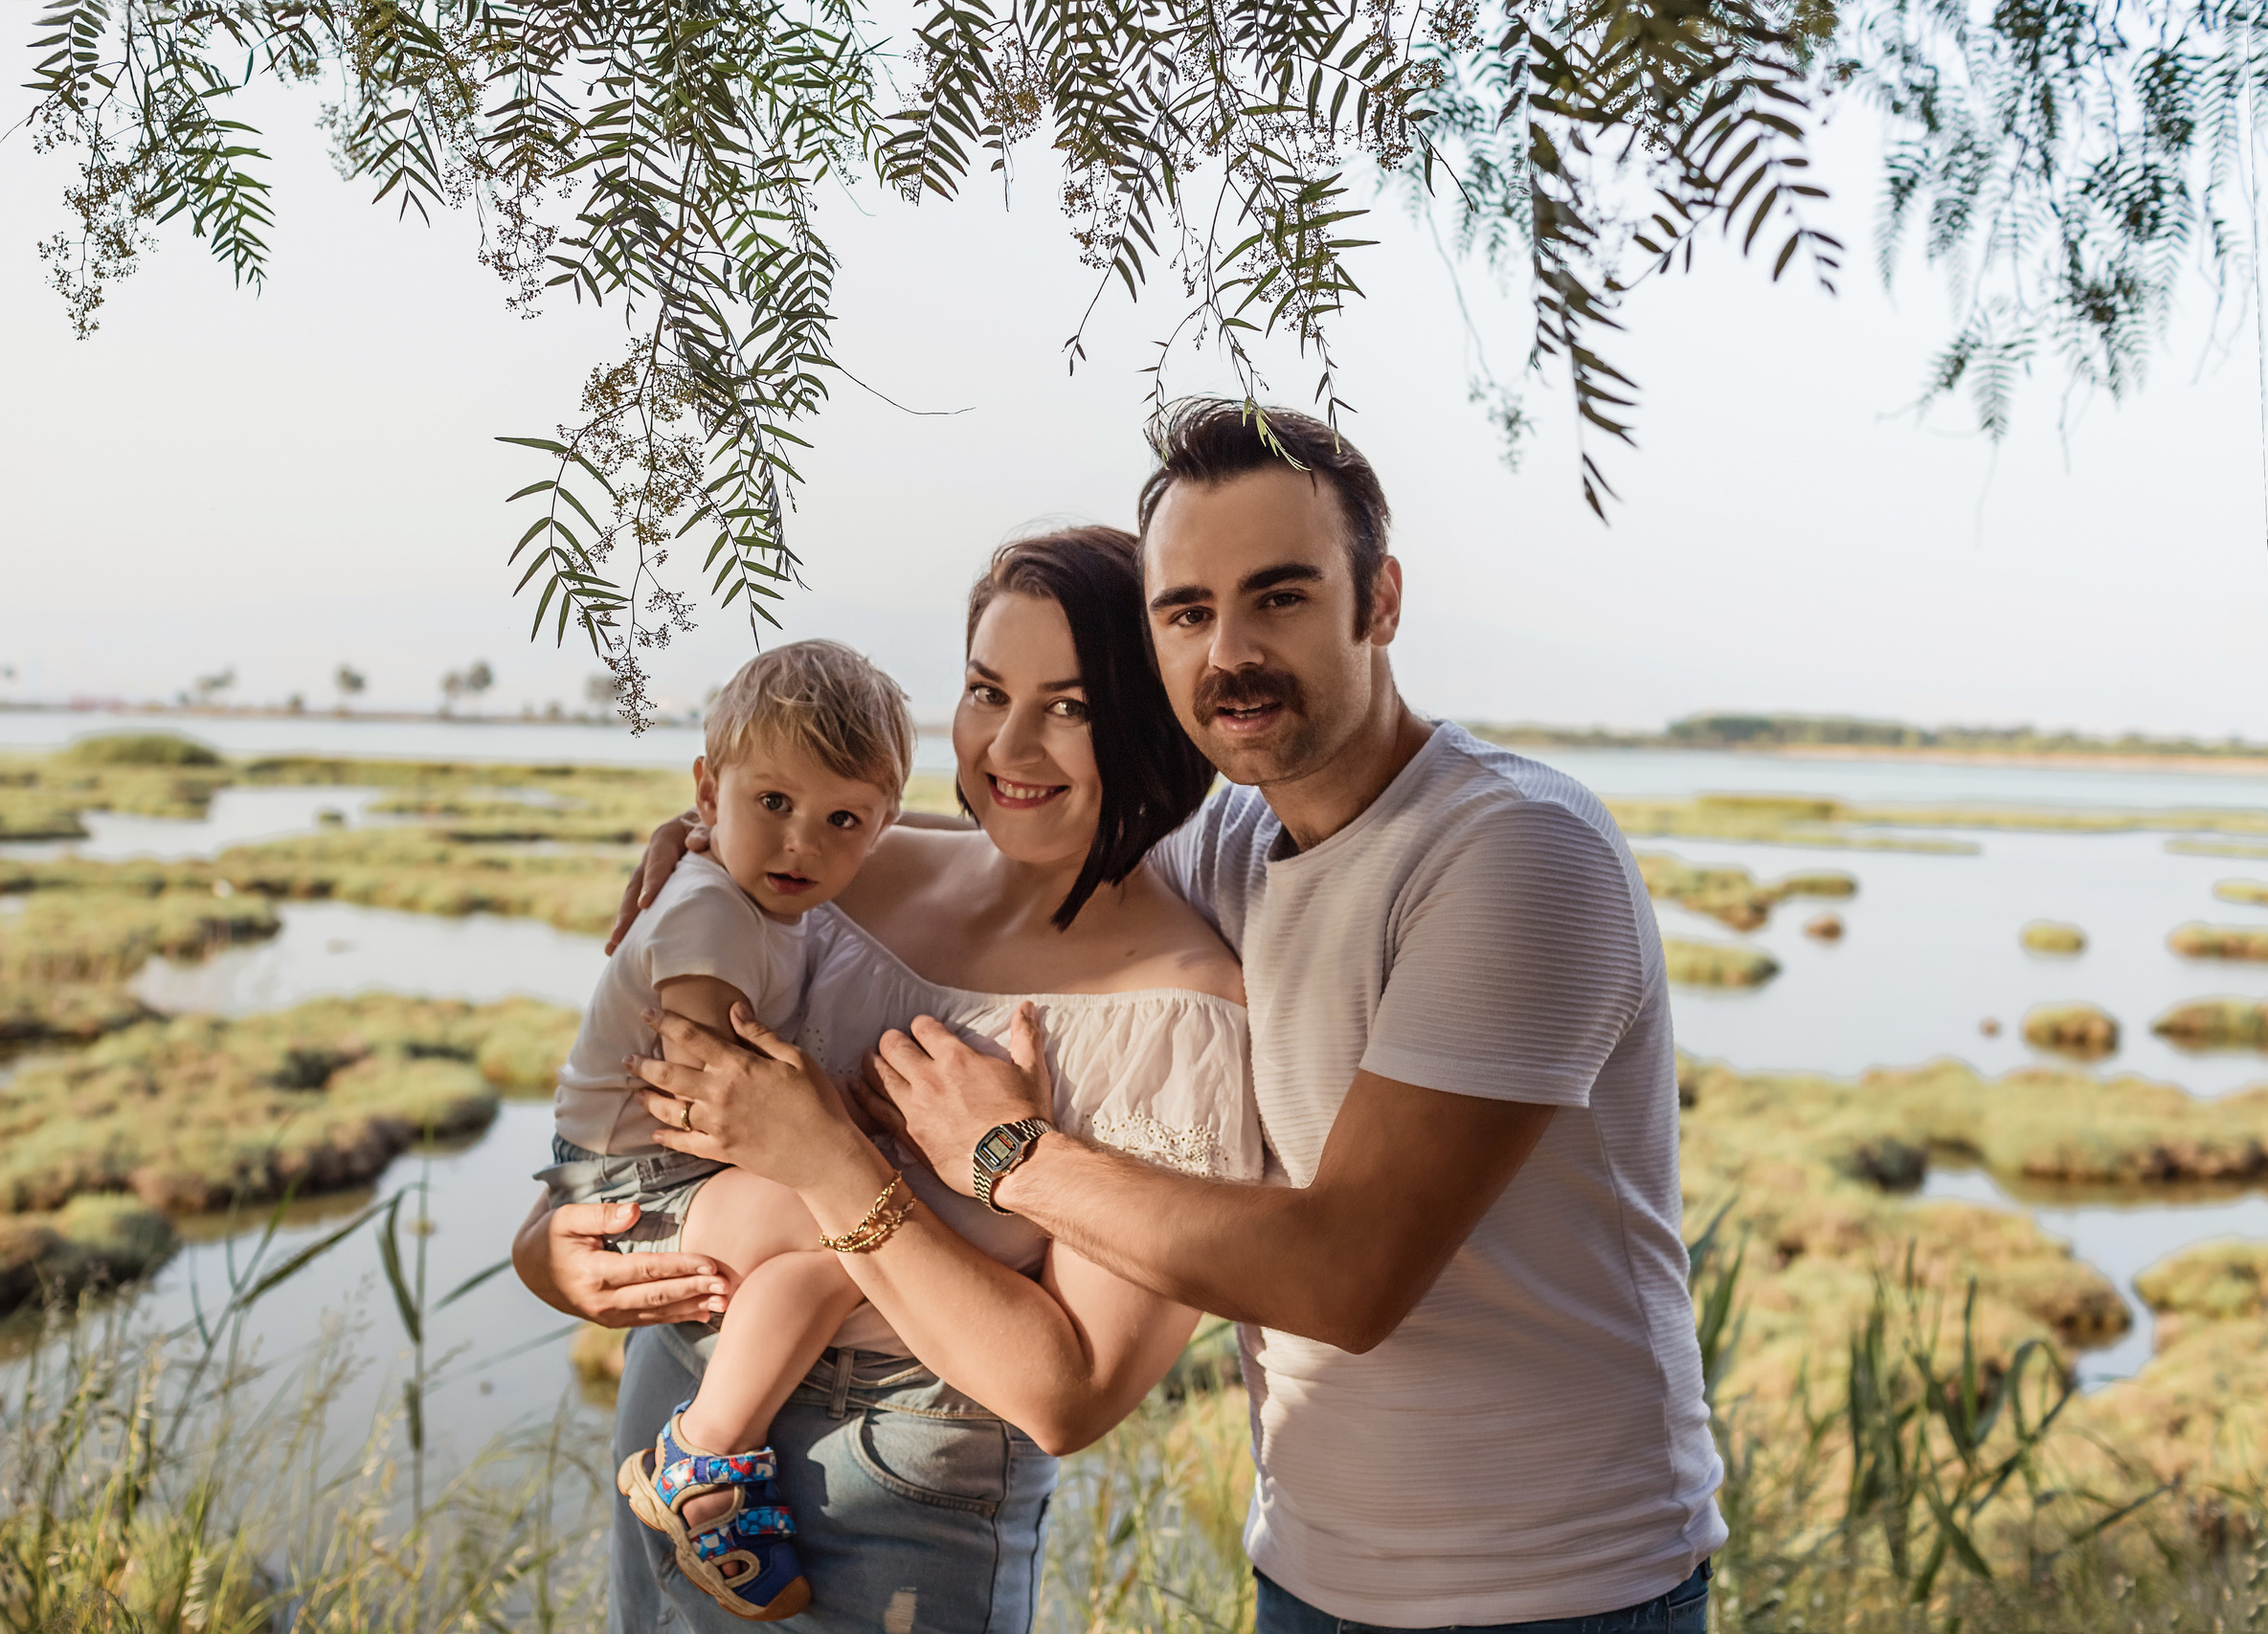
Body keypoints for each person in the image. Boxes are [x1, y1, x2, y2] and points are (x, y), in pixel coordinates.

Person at [640, 403, 1726, 1633]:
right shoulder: (1238, 840)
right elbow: (1025, 836)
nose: (1230, 653)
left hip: (1558, 1586)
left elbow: (1347, 1276)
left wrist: (1005, 1155)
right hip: (1315, 1565)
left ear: (1379, 601)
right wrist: (720, 845)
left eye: (1280, 597)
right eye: (1188, 612)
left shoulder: (1510, 856)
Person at [513, 526, 1260, 1634]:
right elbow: (651, 1095)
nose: (1011, 744)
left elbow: (1070, 1396)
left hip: (893, 1483)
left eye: (1071, 706)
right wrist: (555, 1248)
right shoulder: (853, 863)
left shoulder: (1181, 1015)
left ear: (1154, 715)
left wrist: (831, 1160)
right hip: (676, 1390)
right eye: (984, 689)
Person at [538, 638, 914, 1621]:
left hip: (658, 1172)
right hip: (635, 1183)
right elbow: (705, 1104)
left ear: (882, 828)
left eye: (842, 821)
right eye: (773, 806)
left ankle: (709, 1458)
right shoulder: (710, 912)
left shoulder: (750, 891)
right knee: (861, 1234)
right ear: (709, 793)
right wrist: (839, 1122)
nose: (802, 845)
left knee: (844, 1241)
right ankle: (699, 1461)